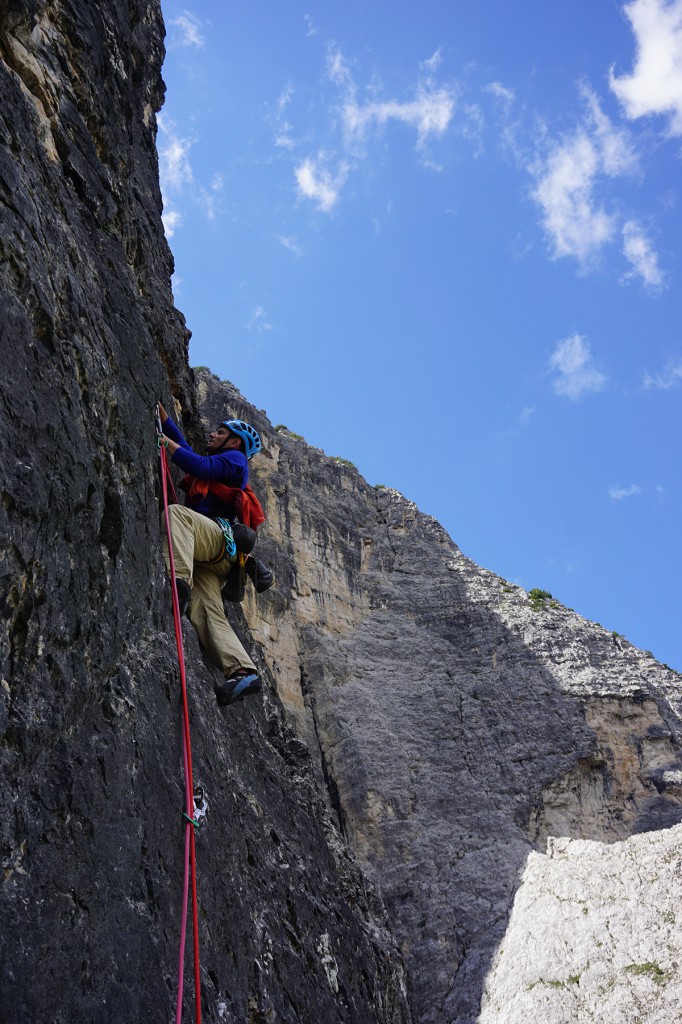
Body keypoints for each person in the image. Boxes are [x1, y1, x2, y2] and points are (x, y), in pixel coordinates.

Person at [157, 401, 263, 706]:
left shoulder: (234, 459)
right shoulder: (221, 465)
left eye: (219, 432)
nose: (212, 435)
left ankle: (178, 583)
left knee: (177, 514)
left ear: (234, 442)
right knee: (207, 610)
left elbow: (199, 465)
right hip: (213, 556)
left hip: (217, 538)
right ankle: (243, 671)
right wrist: (165, 420)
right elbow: (189, 451)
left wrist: (165, 443)